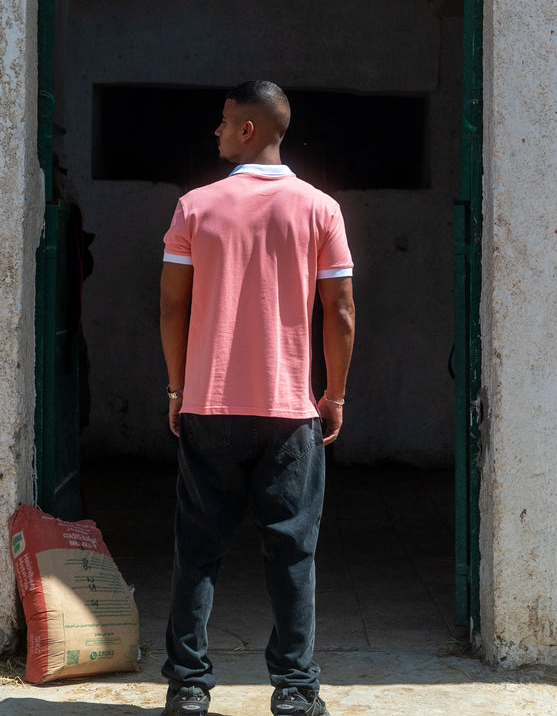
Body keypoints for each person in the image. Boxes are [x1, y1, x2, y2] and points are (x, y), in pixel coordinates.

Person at [159, 81, 355, 716]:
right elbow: (341, 313)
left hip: (208, 407)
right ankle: (296, 691)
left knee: (198, 552)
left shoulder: (195, 207)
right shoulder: (321, 209)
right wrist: (335, 394)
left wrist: (177, 386)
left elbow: (171, 305)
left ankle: (188, 687)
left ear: (248, 129)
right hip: (290, 411)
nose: (214, 132)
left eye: (222, 122)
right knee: (291, 554)